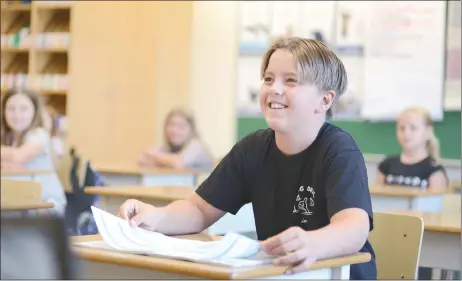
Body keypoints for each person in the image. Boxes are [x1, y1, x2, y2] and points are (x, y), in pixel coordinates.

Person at [119, 37, 376, 279]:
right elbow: (198, 210)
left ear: (325, 100)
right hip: (277, 273)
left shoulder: (339, 150)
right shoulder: (251, 148)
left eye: (290, 80)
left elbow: (354, 227)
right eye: (268, 78)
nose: (274, 89)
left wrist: (314, 243)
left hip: (334, 274)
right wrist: (154, 217)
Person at [1, 88, 67, 216]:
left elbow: (18, 157)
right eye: (11, 108)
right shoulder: (7, 138)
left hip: (45, 203)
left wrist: (12, 160)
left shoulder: (39, 134)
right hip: (18, 201)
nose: (17, 115)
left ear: (34, 111)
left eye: (24, 109)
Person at [376, 107, 448, 190]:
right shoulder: (386, 165)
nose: (406, 133)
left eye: (413, 128)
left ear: (428, 132)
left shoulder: (434, 170)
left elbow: (437, 201)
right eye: (402, 128)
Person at [137, 108, 214, 172]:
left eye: (181, 126)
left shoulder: (197, 146)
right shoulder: (169, 147)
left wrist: (155, 156)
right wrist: (165, 160)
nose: (175, 130)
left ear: (191, 130)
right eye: (171, 125)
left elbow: (178, 163)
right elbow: (142, 161)